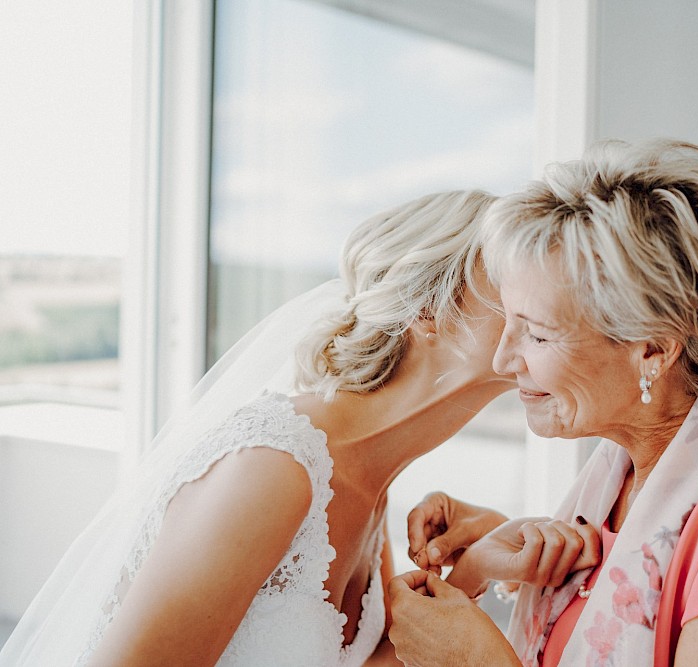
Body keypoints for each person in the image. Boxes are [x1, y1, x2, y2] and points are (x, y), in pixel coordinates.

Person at [388, 139, 698, 666]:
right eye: (509, 323)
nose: (503, 360)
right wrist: (501, 550)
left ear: (653, 350)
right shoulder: (626, 471)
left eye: (537, 336)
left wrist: (474, 661)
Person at [0, 190, 521, 666]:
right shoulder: (272, 468)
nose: (540, 302)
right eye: (513, 282)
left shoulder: (373, 472)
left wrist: (471, 574)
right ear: (430, 309)